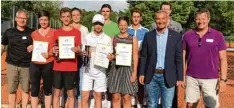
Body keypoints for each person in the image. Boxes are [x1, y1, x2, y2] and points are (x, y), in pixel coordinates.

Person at [183, 9, 227, 108]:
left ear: (208, 19)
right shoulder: (187, 35)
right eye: (198, 19)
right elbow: (183, 57)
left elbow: (223, 59)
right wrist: (182, 76)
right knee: (190, 105)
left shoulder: (218, 35)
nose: (200, 21)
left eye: (203, 18)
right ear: (194, 20)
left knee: (210, 106)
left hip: (211, 78)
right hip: (191, 77)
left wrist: (223, 80)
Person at [139, 10, 183, 108]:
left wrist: (180, 77)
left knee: (167, 105)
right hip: (151, 75)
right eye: (158, 19)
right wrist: (142, 73)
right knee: (151, 104)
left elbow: (179, 58)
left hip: (168, 75)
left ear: (167, 19)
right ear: (155, 20)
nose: (160, 21)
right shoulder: (148, 35)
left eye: (163, 18)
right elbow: (144, 56)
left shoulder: (176, 36)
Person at [1, 9, 34, 108]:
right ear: (15, 19)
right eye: (20, 18)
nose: (22, 20)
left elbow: (39, 45)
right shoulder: (9, 32)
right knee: (11, 90)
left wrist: (34, 46)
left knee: (25, 89)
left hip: (27, 66)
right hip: (12, 65)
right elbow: (2, 46)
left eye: (24, 18)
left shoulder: (32, 32)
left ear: (27, 19)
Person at [81, 14, 113, 108]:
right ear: (93, 25)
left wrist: (110, 57)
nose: (98, 26)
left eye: (100, 24)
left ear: (103, 25)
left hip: (100, 72)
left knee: (98, 97)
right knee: (84, 96)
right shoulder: (87, 37)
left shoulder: (107, 39)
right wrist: (83, 54)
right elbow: (83, 52)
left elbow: (110, 54)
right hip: (87, 71)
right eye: (96, 23)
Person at [52, 7, 81, 108]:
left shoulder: (77, 32)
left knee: (71, 94)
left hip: (71, 67)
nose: (66, 19)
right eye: (63, 17)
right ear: (60, 18)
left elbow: (79, 50)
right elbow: (53, 49)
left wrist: (78, 51)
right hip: (58, 67)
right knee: (56, 93)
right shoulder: (56, 32)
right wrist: (53, 50)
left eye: (68, 16)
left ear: (71, 18)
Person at [108, 16, 139, 108]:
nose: (123, 27)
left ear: (128, 25)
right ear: (118, 25)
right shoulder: (113, 38)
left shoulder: (133, 38)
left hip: (128, 70)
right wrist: (111, 57)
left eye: (125, 25)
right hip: (115, 70)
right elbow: (111, 55)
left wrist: (134, 73)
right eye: (121, 25)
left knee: (126, 97)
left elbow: (135, 57)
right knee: (115, 97)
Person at [26, 10, 55, 108]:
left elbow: (57, 49)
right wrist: (30, 48)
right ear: (38, 21)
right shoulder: (33, 34)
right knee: (34, 89)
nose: (43, 22)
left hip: (48, 64)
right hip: (35, 64)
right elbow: (31, 46)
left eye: (45, 20)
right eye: (41, 20)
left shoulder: (54, 32)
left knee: (47, 89)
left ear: (49, 20)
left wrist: (50, 54)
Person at [63, 7, 89, 108]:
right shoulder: (67, 28)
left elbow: (86, 46)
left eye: (78, 15)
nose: (76, 17)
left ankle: (79, 104)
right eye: (73, 15)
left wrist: (83, 53)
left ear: (81, 16)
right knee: (69, 83)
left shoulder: (84, 29)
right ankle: (67, 104)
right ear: (71, 17)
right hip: (69, 60)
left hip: (81, 60)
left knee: (81, 82)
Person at [127, 8, 149, 108]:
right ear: (131, 17)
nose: (136, 19)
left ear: (141, 18)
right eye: (134, 16)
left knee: (141, 84)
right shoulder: (126, 30)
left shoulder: (146, 31)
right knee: (129, 82)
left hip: (141, 61)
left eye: (137, 17)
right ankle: (130, 104)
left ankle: (140, 103)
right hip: (128, 61)